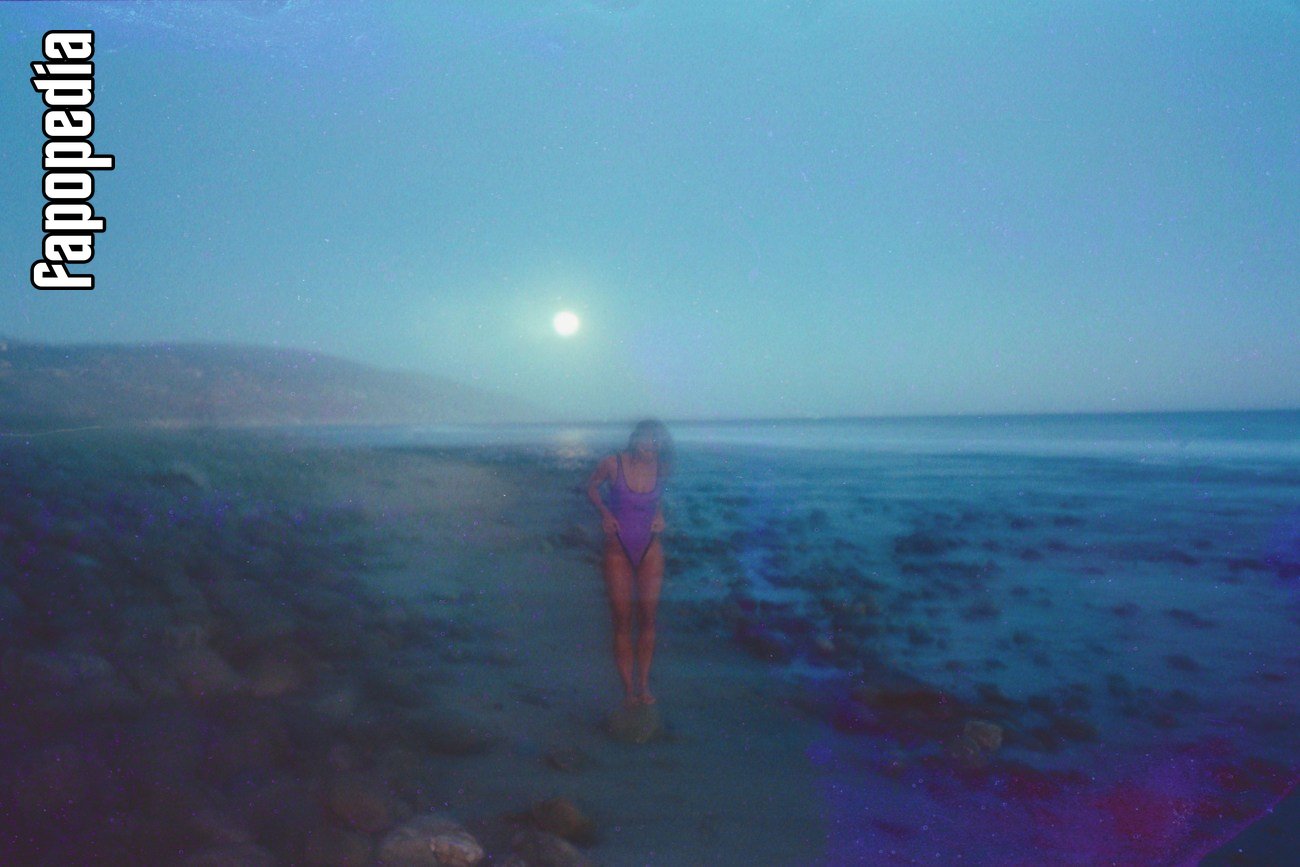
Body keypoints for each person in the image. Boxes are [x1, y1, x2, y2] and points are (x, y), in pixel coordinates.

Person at [585, 419, 672, 706]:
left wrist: (660, 515)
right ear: (635, 439)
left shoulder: (662, 467)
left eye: (656, 442)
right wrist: (605, 514)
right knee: (622, 621)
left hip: (651, 549)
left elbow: (658, 498)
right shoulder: (613, 463)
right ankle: (628, 691)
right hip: (617, 550)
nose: (650, 446)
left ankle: (643, 687)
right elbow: (592, 486)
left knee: (648, 619)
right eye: (646, 440)